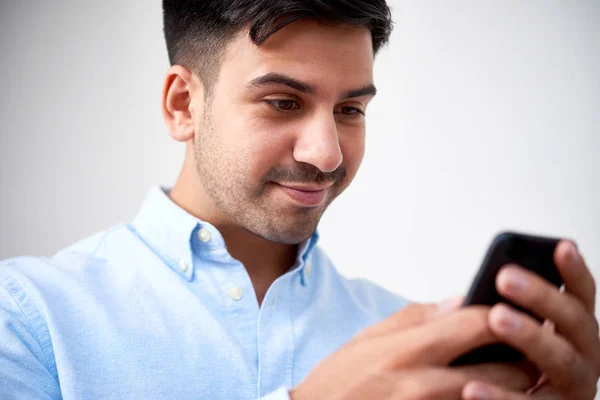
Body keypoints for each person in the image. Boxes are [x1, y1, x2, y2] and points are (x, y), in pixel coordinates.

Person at [1, 1, 598, 399]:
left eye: (350, 110)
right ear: (183, 104)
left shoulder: (420, 352)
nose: (328, 154)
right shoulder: (28, 319)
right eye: (283, 102)